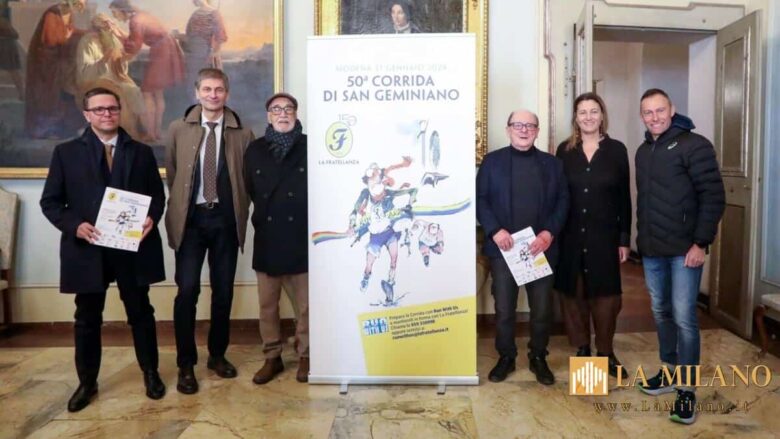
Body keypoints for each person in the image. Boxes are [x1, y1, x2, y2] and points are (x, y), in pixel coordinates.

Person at [40, 87, 166, 412]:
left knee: (141, 313)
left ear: (119, 111)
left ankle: (151, 373)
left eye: (112, 108)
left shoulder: (141, 152)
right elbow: (50, 202)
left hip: (131, 249)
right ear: (87, 114)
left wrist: (152, 218)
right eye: (99, 109)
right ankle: (87, 383)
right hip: (88, 249)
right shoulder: (66, 153)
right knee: (87, 318)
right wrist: (74, 226)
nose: (106, 114)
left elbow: (157, 196)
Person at [634, 88, 725, 425]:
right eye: (648, 112)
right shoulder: (643, 151)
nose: (654, 117)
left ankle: (686, 390)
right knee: (661, 312)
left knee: (685, 318)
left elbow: (713, 196)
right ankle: (669, 371)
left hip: (685, 251)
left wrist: (701, 243)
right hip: (652, 250)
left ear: (672, 110)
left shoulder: (695, 145)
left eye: (660, 110)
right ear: (642, 116)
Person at [164, 68, 254, 395]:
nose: (213, 95)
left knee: (223, 291)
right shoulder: (178, 129)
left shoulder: (243, 133)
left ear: (226, 93)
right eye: (207, 89)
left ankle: (217, 354)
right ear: (197, 92)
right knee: (187, 290)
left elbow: (246, 178)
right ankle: (185, 363)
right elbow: (173, 173)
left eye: (218, 90)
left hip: (225, 222)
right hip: (191, 221)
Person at [476, 109, 569, 385]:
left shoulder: (553, 164)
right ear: (508, 129)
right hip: (504, 250)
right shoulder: (491, 162)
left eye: (530, 125)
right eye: (518, 125)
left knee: (541, 310)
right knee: (505, 309)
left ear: (537, 131)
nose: (524, 130)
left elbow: (564, 200)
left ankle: (538, 356)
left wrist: (549, 233)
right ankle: (506, 356)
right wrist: (495, 230)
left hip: (541, 249)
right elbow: (481, 199)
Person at [554, 92, 631, 378]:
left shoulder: (617, 150)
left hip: (604, 236)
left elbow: (624, 198)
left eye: (594, 111)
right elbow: (556, 194)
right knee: (573, 295)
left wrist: (624, 239)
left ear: (602, 115)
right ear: (575, 118)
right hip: (570, 235)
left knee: (607, 298)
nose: (588, 117)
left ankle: (606, 353)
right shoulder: (564, 151)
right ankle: (583, 349)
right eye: (582, 112)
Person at [245, 92, 310, 384]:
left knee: (306, 306)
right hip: (268, 238)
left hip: (301, 237)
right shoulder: (255, 149)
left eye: (288, 108)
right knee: (267, 305)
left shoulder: (311, 146)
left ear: (296, 113)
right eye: (276, 109)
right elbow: (249, 188)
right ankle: (272, 356)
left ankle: (307, 355)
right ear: (268, 116)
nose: (282, 113)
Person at [109, 0, 185, 141]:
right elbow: (134, 38)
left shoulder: (135, 21)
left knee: (147, 92)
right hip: (166, 48)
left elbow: (134, 44)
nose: (114, 16)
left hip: (161, 51)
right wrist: (119, 33)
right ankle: (156, 132)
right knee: (158, 92)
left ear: (121, 10)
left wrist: (119, 46)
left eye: (114, 12)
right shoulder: (141, 15)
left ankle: (151, 134)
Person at [348, 157, 417, 304]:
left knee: (394, 258)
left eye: (377, 177)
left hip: (390, 231)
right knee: (369, 263)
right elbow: (354, 210)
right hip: (376, 235)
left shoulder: (387, 191)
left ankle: (390, 283)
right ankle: (366, 278)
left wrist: (409, 205)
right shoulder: (365, 194)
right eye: (372, 178)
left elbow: (411, 190)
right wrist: (352, 225)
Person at [75, 13, 146, 139]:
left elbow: (119, 64)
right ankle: (116, 132)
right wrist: (104, 59)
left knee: (132, 90)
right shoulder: (87, 41)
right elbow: (85, 71)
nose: (108, 32)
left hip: (113, 77)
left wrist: (122, 59)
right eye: (104, 29)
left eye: (108, 29)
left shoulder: (112, 40)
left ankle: (134, 128)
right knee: (118, 95)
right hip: (94, 80)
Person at [25, 0, 86, 139]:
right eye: (78, 4)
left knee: (65, 92)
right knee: (48, 96)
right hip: (45, 63)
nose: (79, 8)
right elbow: (51, 40)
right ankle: (44, 130)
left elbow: (71, 30)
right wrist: (66, 37)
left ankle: (63, 127)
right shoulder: (52, 14)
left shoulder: (68, 13)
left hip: (57, 61)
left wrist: (87, 33)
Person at [181, 0, 227, 90]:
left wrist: (213, 53)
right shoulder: (198, 14)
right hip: (195, 57)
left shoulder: (212, 13)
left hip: (203, 56)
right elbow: (220, 37)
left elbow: (220, 38)